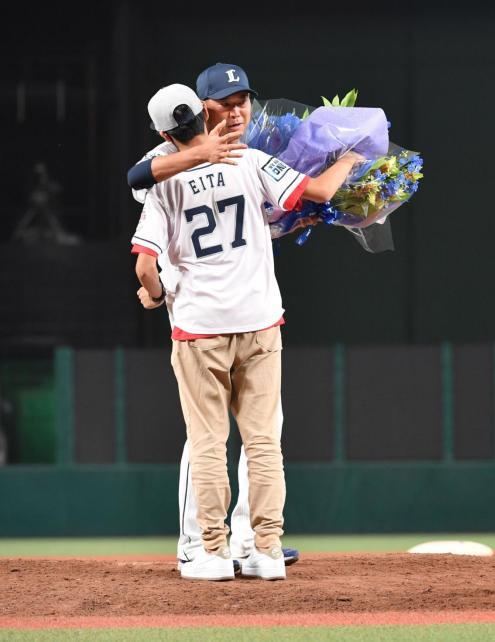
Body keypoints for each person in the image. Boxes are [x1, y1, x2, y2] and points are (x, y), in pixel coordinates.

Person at [131, 83, 362, 580]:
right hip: (259, 324)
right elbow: (320, 193)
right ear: (205, 113)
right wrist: (354, 156)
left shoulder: (162, 182)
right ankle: (267, 551)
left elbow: (146, 266)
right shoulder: (251, 160)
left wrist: (153, 294)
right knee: (263, 443)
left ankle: (211, 553)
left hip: (199, 330)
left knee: (208, 443)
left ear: (161, 132)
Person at [127, 63, 300, 570]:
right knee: (207, 440)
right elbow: (137, 178)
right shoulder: (167, 157)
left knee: (258, 436)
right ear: (205, 110)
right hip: (202, 311)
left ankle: (249, 542)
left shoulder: (251, 151)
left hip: (246, 307)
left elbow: (278, 210)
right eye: (225, 102)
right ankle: (200, 541)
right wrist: (199, 152)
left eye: (243, 99)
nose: (237, 109)